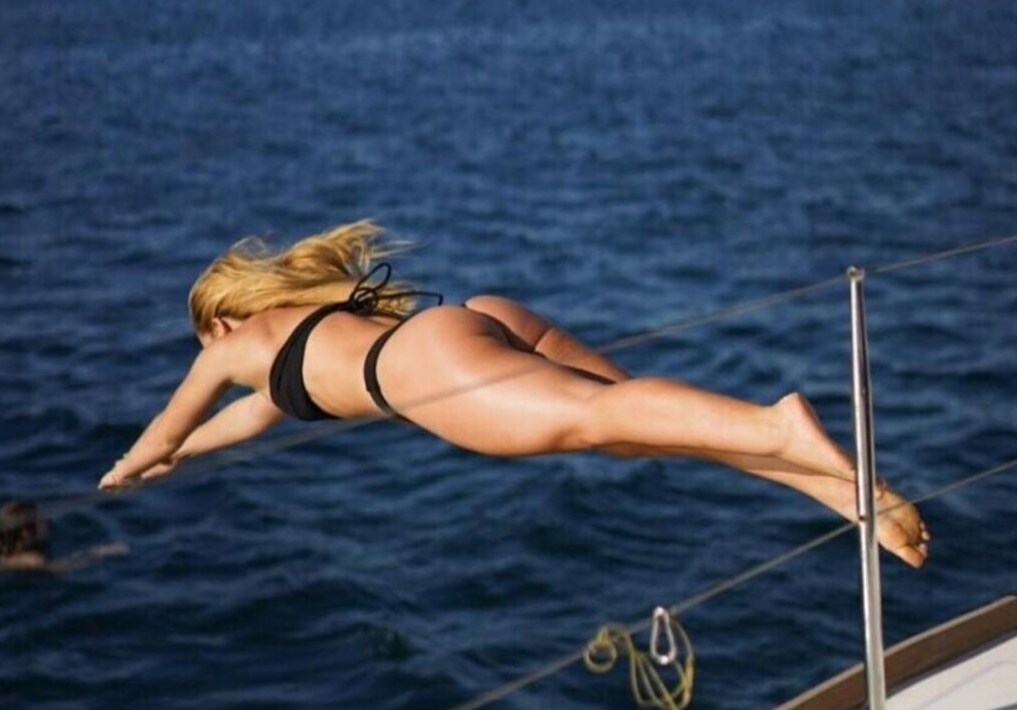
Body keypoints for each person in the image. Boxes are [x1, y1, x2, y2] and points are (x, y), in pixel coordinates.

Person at [99, 221, 929, 568]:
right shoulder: (296, 336)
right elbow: (245, 420)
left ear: (221, 319)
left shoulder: (237, 344)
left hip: (426, 369)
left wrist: (129, 468)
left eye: (205, 339)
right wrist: (179, 459)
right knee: (635, 423)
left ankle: (778, 425)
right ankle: (836, 488)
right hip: (475, 319)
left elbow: (172, 421)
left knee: (599, 420)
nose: (211, 354)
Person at [0, 499, 127, 582]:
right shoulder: (30, 559)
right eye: (41, 521)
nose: (46, 523)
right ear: (26, 533)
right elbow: (61, 567)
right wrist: (100, 552)